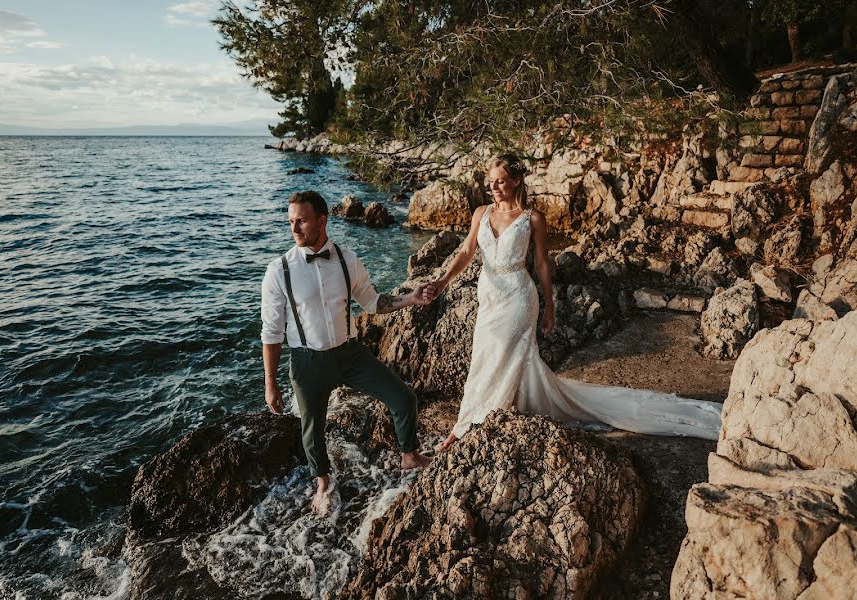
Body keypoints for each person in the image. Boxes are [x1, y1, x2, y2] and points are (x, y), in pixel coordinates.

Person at [427, 155, 721, 451]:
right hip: (488, 293)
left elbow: (542, 264)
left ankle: (467, 425)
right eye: (491, 181)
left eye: (500, 181)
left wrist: (549, 306)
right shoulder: (482, 212)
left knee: (502, 351)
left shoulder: (533, 218)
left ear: (516, 181)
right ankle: (480, 415)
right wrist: (443, 281)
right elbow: (466, 252)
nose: (494, 186)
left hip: (517, 297)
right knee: (484, 354)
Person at [261, 191, 434, 514]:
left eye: (301, 220)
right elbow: (271, 333)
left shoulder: (347, 259)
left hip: (351, 355)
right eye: (290, 222)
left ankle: (409, 455)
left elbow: (372, 302)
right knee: (312, 428)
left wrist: (411, 298)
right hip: (307, 361)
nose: (294, 228)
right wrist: (270, 383)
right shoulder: (279, 271)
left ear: (322, 221)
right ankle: (323, 481)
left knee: (403, 397)